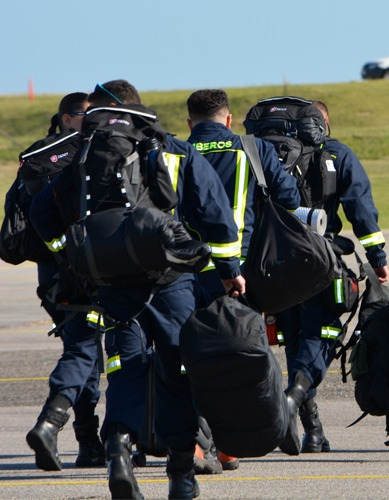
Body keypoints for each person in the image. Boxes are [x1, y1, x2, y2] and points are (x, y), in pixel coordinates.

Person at [30, 80, 245, 500]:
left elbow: (41, 210)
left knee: (125, 369)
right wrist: (229, 269)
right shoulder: (173, 150)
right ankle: (181, 473)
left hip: (112, 285)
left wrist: (69, 255)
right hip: (170, 283)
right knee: (177, 371)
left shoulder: (87, 153)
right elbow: (217, 215)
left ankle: (118, 454)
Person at [185, 88, 301, 471]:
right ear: (229, 119)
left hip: (187, 274)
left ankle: (197, 444)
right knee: (242, 357)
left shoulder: (175, 152)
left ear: (190, 122)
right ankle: (231, 445)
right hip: (241, 274)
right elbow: (288, 197)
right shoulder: (252, 149)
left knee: (192, 359)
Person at [272, 98, 389, 455]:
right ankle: (291, 400)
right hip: (321, 261)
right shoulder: (337, 154)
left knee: (294, 338)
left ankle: (314, 431)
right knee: (320, 335)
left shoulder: (268, 156)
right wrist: (378, 257)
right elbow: (361, 209)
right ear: (323, 124)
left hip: (274, 263)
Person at [23, 92, 108, 472]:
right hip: (81, 272)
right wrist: (71, 254)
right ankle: (49, 423)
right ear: (67, 118)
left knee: (85, 350)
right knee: (84, 351)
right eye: (86, 116)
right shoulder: (78, 152)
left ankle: (89, 444)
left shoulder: (37, 155)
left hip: (52, 277)